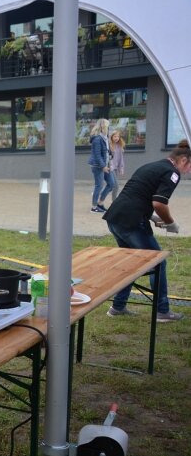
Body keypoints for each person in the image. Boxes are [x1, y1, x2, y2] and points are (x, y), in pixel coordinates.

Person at [103, 139, 191, 323]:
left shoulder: (153, 166)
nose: (188, 171)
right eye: (190, 167)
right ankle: (162, 311)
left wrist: (152, 217)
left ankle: (118, 306)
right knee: (158, 263)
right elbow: (158, 202)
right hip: (131, 222)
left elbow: (138, 194)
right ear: (183, 160)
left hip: (116, 218)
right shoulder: (172, 173)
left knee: (131, 263)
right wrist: (170, 222)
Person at [87, 118, 114, 212]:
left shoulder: (105, 137)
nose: (109, 128)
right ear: (103, 127)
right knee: (99, 185)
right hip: (98, 166)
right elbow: (97, 155)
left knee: (111, 184)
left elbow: (107, 152)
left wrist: (109, 161)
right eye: (108, 126)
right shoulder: (97, 139)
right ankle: (94, 207)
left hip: (105, 165)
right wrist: (103, 166)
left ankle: (100, 203)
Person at [109, 130, 126, 199]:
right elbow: (108, 157)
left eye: (118, 136)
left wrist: (121, 168)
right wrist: (110, 166)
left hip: (115, 168)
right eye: (115, 136)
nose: (116, 138)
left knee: (113, 185)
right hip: (110, 168)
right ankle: (114, 201)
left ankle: (113, 199)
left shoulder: (119, 146)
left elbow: (121, 158)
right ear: (111, 137)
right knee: (116, 185)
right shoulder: (109, 145)